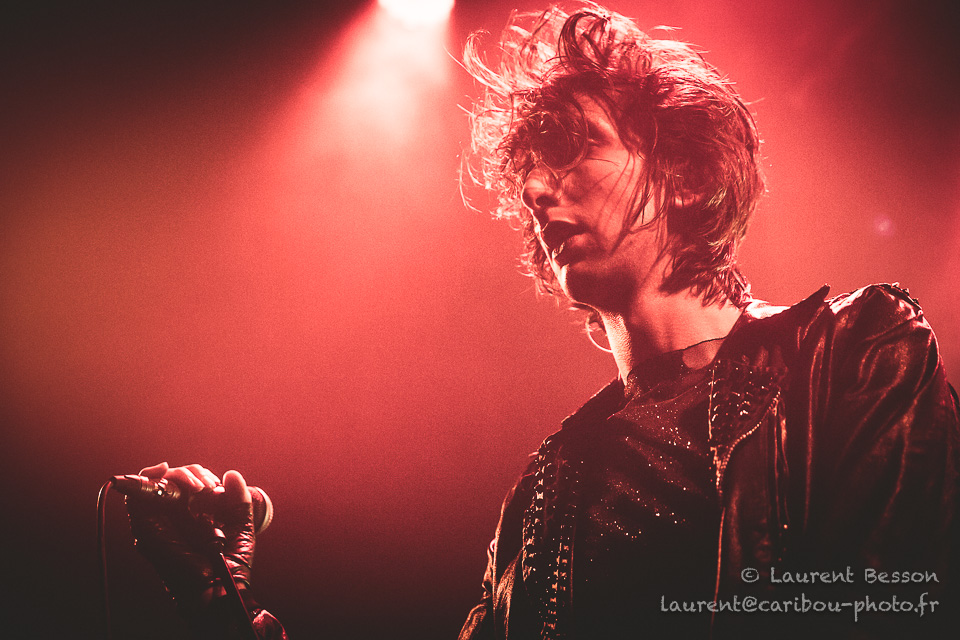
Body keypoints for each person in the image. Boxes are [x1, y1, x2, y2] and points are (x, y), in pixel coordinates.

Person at [125, 3, 959, 639]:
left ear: (685, 175)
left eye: (571, 146)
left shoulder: (855, 352)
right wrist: (221, 601)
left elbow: (894, 601)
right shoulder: (545, 490)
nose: (533, 189)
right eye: (528, 171)